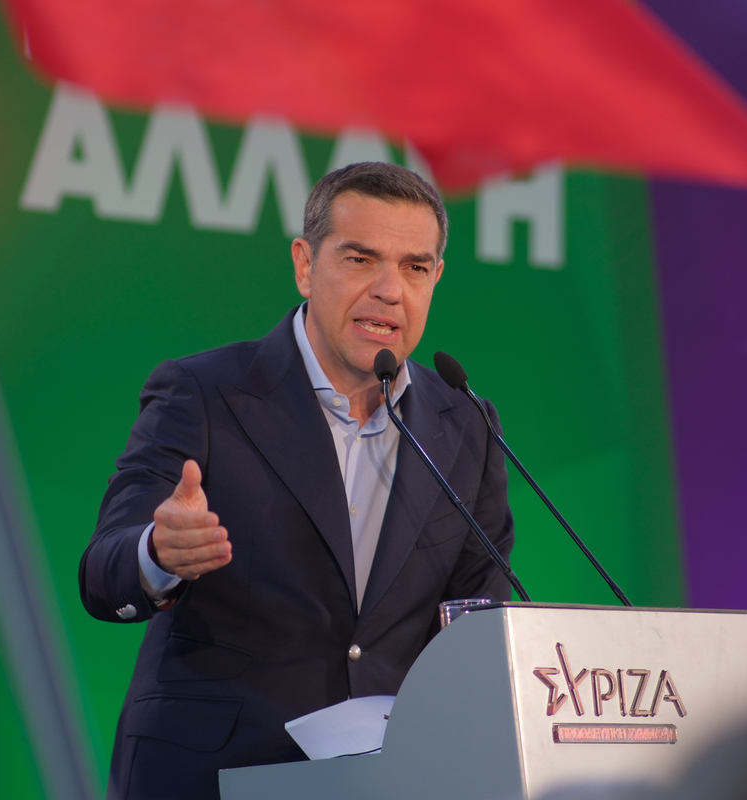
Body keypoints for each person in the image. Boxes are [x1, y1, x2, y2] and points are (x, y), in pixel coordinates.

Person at [80, 162, 515, 800]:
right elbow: (103, 573)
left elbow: (482, 617)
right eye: (361, 259)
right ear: (305, 265)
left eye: (415, 268)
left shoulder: (465, 423)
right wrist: (158, 552)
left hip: (384, 780)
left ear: (436, 278)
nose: (390, 291)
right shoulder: (204, 392)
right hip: (214, 774)